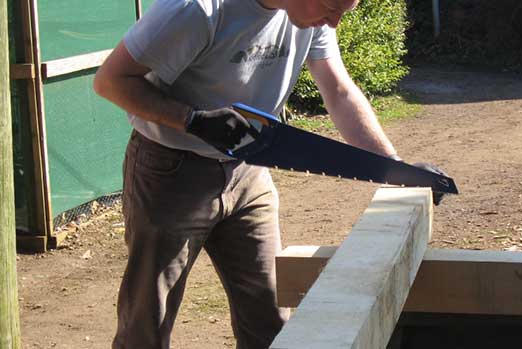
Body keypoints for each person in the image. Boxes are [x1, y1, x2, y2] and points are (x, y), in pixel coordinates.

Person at [94, 0, 446, 347]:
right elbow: (110, 81)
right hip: (172, 172)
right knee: (147, 325)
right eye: (332, 8)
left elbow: (338, 92)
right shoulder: (195, 9)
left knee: (272, 322)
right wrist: (192, 120)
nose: (335, 22)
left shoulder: (316, 18)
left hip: (249, 171)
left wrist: (392, 166)